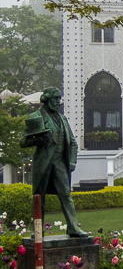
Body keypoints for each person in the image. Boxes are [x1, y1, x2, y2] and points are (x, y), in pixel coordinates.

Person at [20, 87, 90, 237]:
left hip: (59, 163)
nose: (58, 102)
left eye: (59, 99)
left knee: (66, 195)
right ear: (46, 100)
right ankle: (37, 230)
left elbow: (72, 142)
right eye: (55, 99)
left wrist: (72, 161)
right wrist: (39, 139)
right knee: (39, 197)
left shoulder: (63, 119)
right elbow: (23, 142)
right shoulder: (36, 117)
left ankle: (73, 227)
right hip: (43, 163)